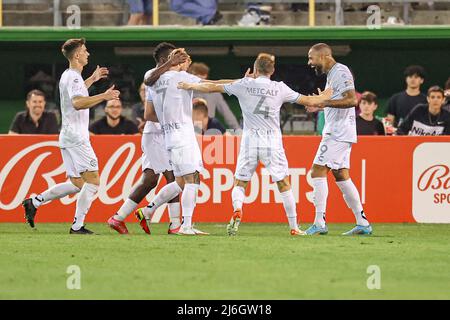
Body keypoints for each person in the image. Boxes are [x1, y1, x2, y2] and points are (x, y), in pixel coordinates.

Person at [177, 53, 333, 236]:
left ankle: (237, 208)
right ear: (272, 71)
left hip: (250, 140)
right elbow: (308, 101)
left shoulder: (244, 84)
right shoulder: (280, 88)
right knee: (283, 183)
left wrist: (190, 85)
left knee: (240, 183)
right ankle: (294, 227)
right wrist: (327, 95)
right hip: (272, 141)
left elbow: (213, 86)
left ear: (255, 69)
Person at [22, 38, 120, 234]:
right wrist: (104, 96)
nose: (88, 54)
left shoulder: (69, 76)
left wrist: (92, 79)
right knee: (93, 181)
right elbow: (77, 103)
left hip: (67, 136)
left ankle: (35, 201)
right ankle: (77, 226)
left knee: (78, 183)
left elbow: (75, 94)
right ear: (77, 55)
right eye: (85, 51)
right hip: (77, 138)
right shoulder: (73, 77)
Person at [107, 42, 185, 235]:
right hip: (156, 134)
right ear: (163, 60)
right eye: (173, 58)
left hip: (163, 134)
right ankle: (174, 225)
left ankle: (118, 218)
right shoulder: (152, 75)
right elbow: (149, 82)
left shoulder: (172, 78)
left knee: (150, 180)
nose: (176, 62)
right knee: (172, 177)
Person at [134, 48, 210, 236]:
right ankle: (184, 225)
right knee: (186, 178)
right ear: (167, 59)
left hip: (169, 134)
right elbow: (148, 86)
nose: (184, 60)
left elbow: (149, 111)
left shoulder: (162, 79)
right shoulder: (157, 76)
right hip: (168, 135)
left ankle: (148, 211)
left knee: (179, 181)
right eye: (179, 57)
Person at [304, 43, 373, 236]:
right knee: (341, 175)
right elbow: (339, 102)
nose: (310, 62)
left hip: (338, 133)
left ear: (324, 56)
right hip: (341, 131)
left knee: (317, 171)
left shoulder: (340, 71)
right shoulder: (332, 75)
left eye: (312, 58)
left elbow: (352, 100)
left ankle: (319, 223)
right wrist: (319, 106)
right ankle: (362, 223)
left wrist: (323, 102)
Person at [188, 62, 240, 130]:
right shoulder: (186, 92)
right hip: (189, 130)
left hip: (208, 129)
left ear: (205, 75)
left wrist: (237, 129)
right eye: (194, 75)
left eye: (200, 74)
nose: (197, 77)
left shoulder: (214, 93)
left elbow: (226, 112)